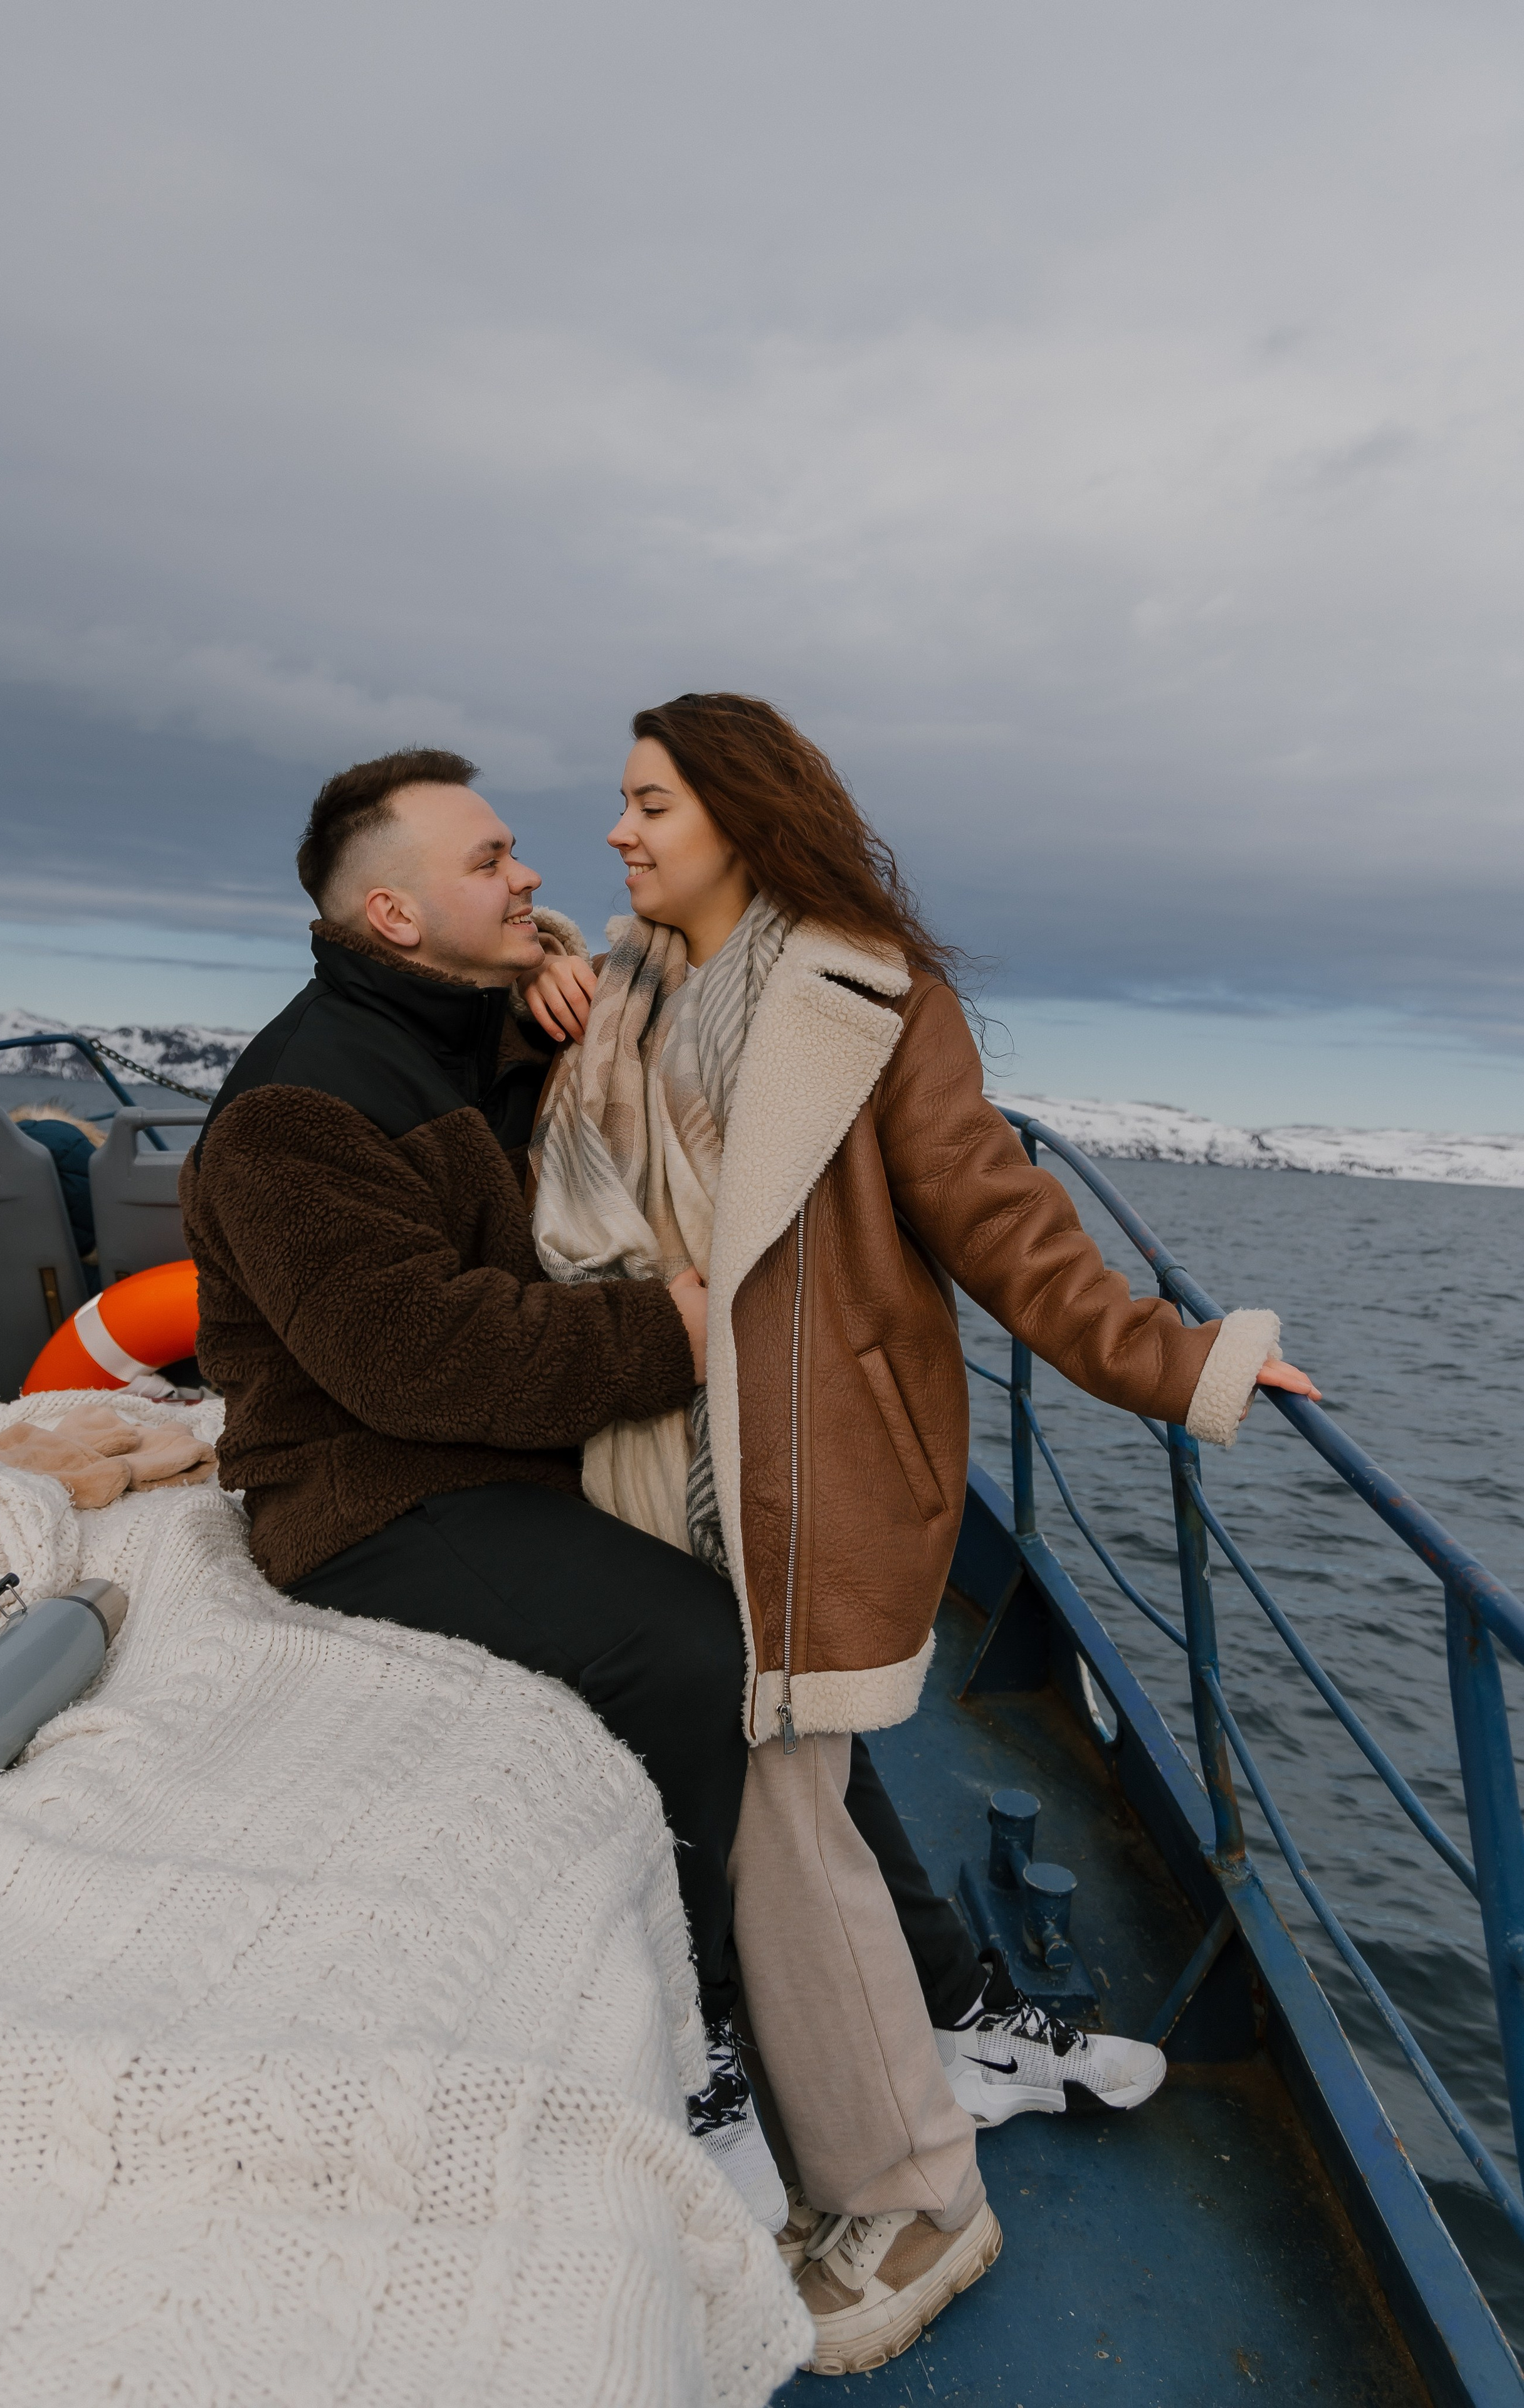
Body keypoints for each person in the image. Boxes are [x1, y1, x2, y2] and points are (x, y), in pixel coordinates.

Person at [525, 691, 1321, 2377]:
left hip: (813, 1485)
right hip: (659, 1463)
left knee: (787, 1833)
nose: (620, 830)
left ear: (741, 812)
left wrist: (1185, 1360)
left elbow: (999, 1219)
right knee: (745, 1818)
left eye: (650, 803)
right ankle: (853, 2153)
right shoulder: (632, 990)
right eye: (620, 804)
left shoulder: (869, 1000)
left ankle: (918, 2195)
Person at [178, 746, 789, 2229]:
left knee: (803, 1640)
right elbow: (415, 1360)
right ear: (393, 916)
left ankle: (939, 1992)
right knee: (698, 1648)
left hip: (519, 1457)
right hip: (368, 1490)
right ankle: (702, 2043)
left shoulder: (476, 1031)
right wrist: (677, 1328)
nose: (530, 876)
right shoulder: (296, 1107)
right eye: (491, 860)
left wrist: (561, 1011)